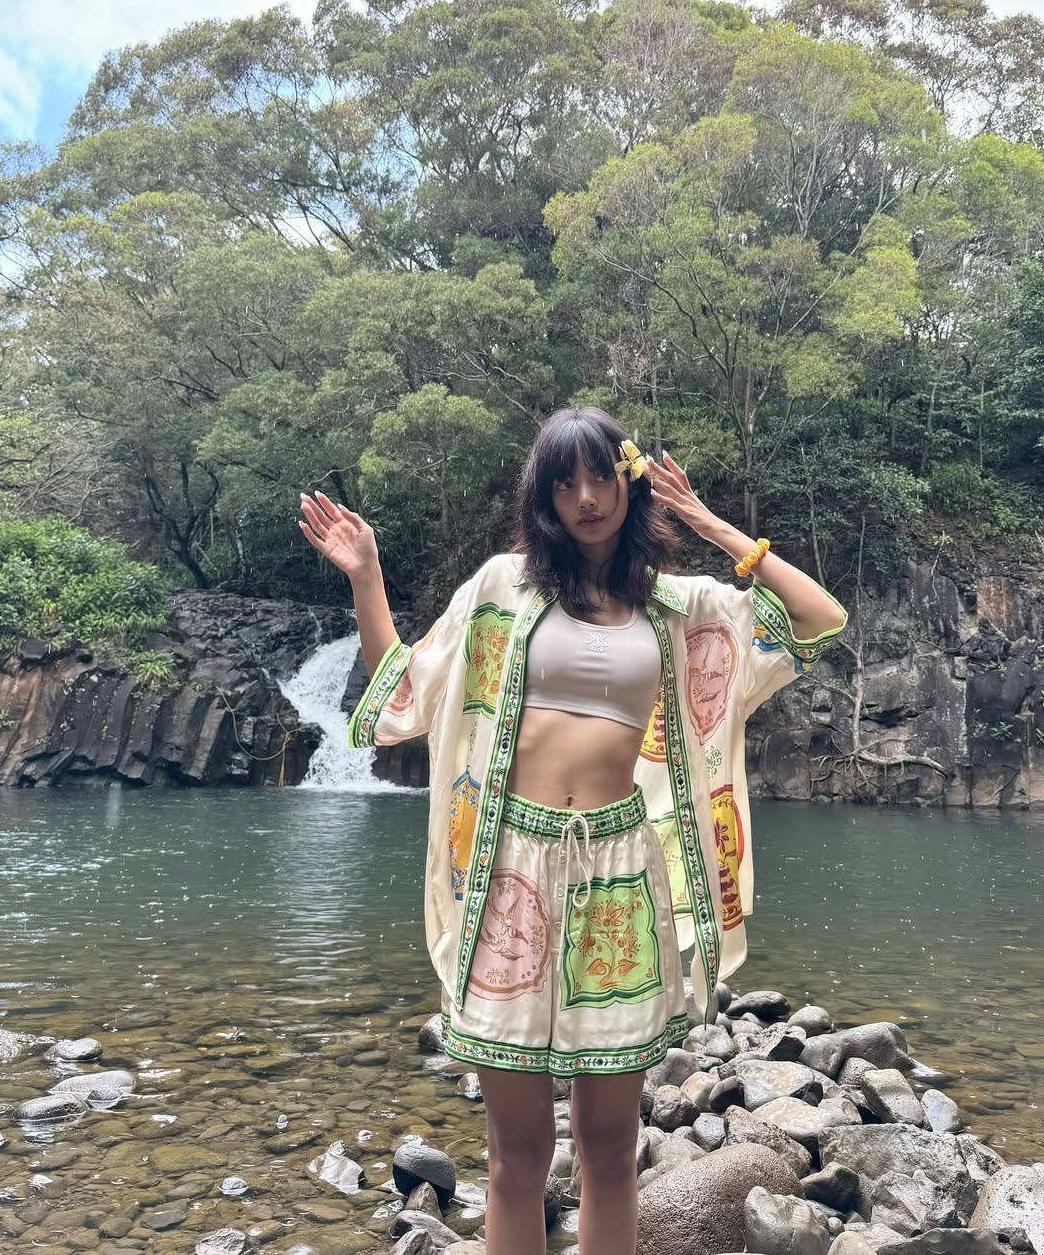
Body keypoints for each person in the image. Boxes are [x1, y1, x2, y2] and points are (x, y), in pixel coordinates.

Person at [298, 406, 846, 1255]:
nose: (586, 498)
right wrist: (366, 576)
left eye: (601, 477)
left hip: (619, 874)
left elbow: (818, 618)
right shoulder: (502, 589)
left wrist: (705, 521)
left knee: (609, 1149)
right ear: (543, 496)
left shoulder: (677, 608)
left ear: (629, 485)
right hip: (509, 868)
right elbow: (408, 688)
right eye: (564, 482)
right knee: (517, 1154)